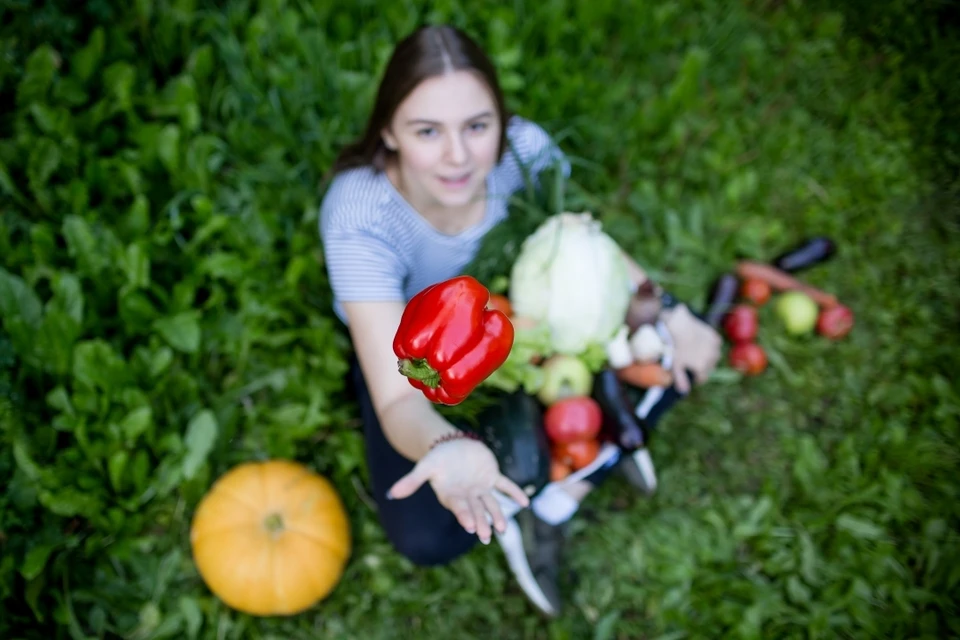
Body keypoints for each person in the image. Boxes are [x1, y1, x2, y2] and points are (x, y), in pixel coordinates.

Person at [318, 24, 722, 617]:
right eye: (427, 131)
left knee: (683, 357)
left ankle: (561, 493)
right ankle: (587, 451)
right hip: (412, 348)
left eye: (477, 126)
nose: (458, 156)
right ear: (388, 132)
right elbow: (401, 399)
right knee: (427, 539)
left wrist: (670, 309)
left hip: (517, 313)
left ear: (502, 123)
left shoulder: (525, 153)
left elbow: (580, 243)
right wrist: (446, 444)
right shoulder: (361, 214)